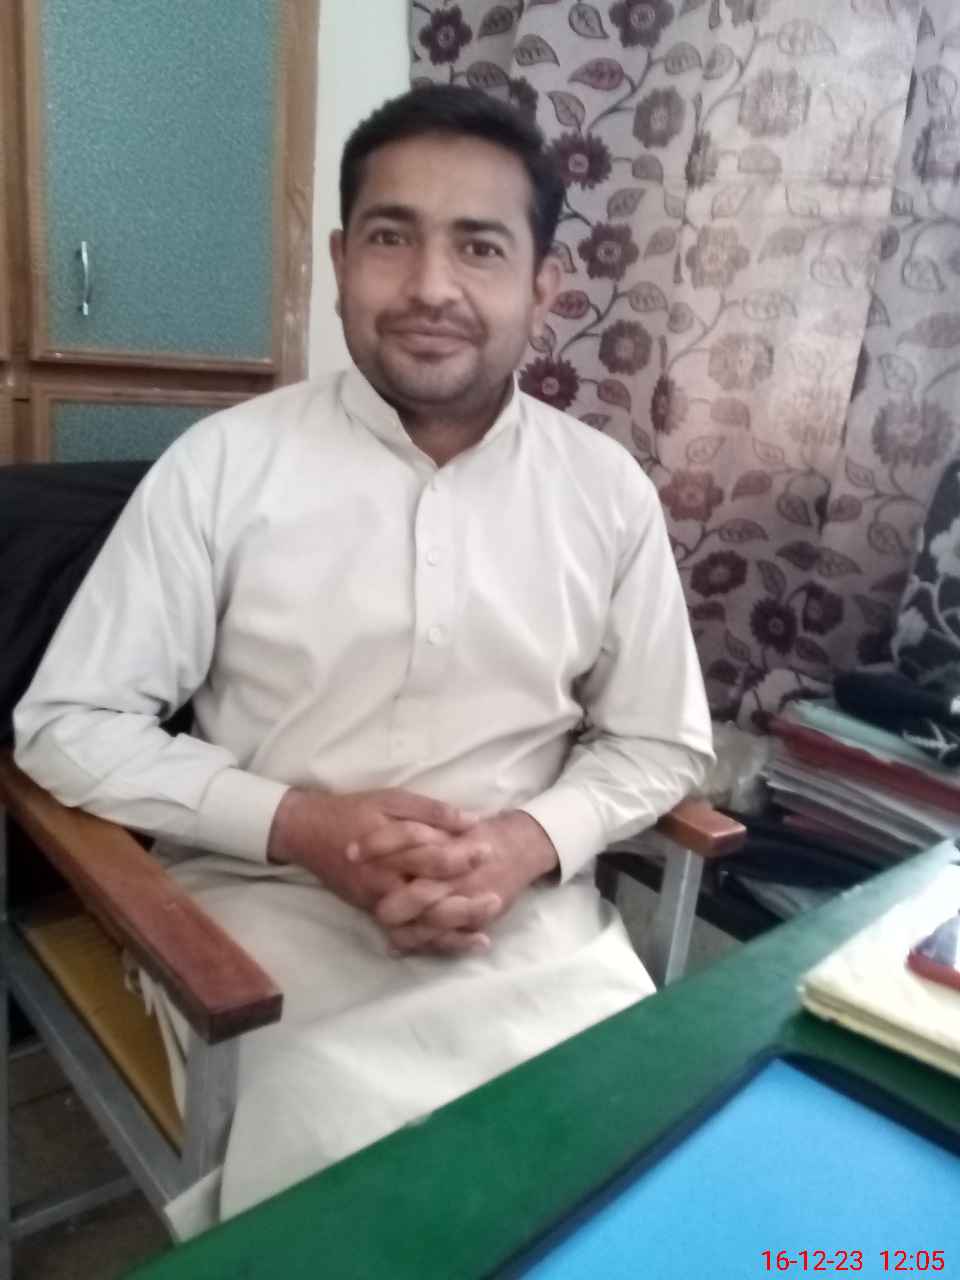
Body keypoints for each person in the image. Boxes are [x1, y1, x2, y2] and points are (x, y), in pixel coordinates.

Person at [14, 85, 713, 1235]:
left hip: (530, 927)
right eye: (392, 237)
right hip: (261, 926)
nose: (431, 285)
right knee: (361, 1213)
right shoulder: (221, 465)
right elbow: (68, 722)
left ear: (544, 287)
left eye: (480, 246)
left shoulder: (605, 492)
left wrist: (524, 842)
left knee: (647, 1184)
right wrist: (302, 825)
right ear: (341, 262)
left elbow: (659, 739)